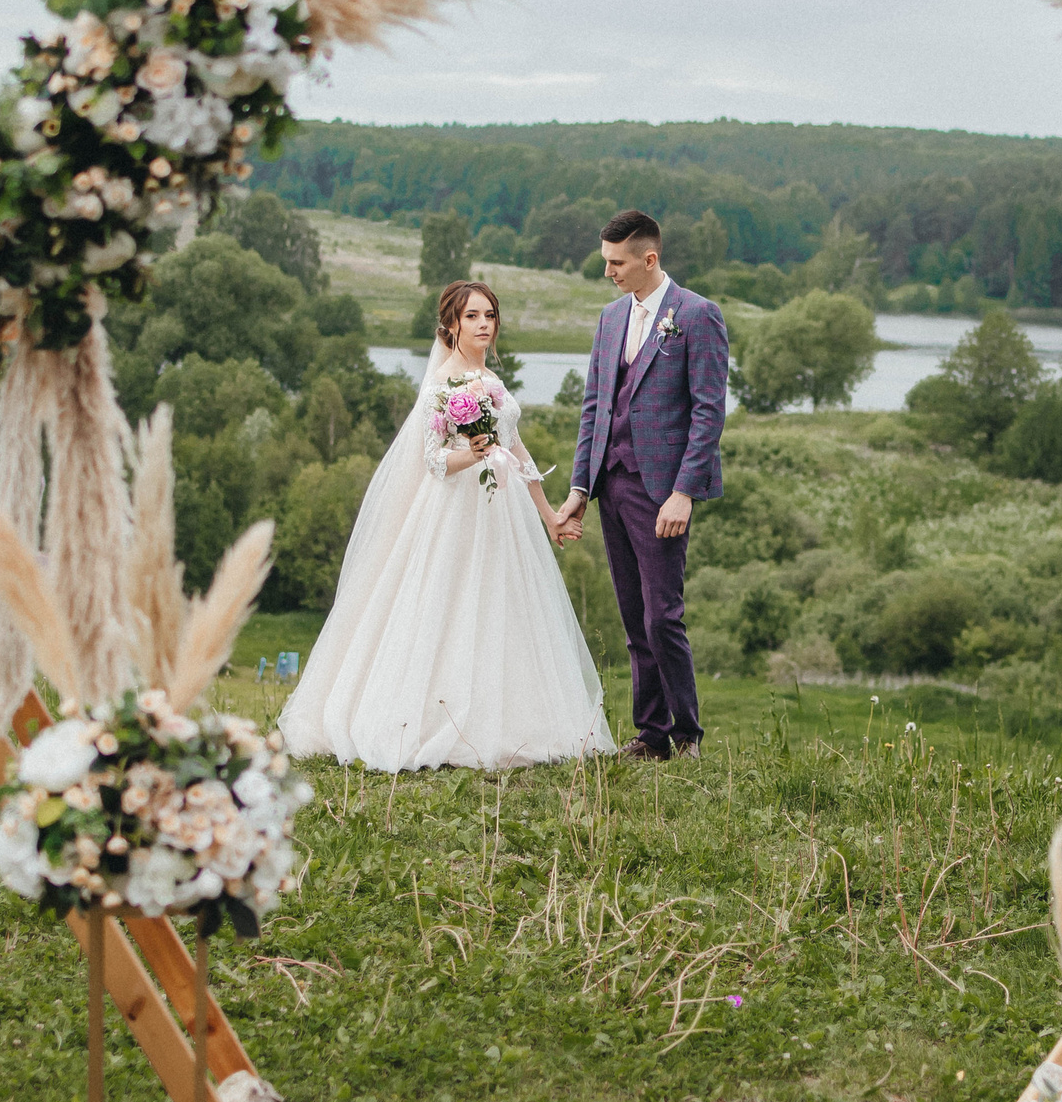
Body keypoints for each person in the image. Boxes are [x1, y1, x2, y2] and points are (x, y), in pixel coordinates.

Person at [278, 281, 615, 770]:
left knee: (506, 605)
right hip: (454, 512)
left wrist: (549, 516)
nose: (483, 324)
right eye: (473, 316)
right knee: (447, 604)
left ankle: (517, 720)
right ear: (452, 325)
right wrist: (471, 453)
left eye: (490, 315)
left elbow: (516, 450)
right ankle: (437, 718)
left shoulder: (492, 383)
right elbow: (434, 462)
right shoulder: (441, 385)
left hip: (503, 512)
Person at [553, 210, 730, 760]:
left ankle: (687, 735)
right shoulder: (609, 319)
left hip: (663, 490)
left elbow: (708, 413)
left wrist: (685, 491)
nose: (608, 271)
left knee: (663, 615)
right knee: (634, 617)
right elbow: (594, 409)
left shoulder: (698, 316)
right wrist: (580, 488)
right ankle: (651, 735)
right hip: (614, 484)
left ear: (648, 259)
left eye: (616, 262)